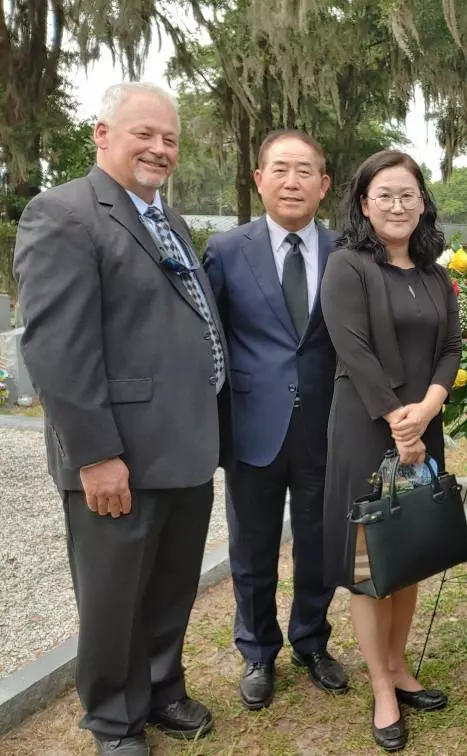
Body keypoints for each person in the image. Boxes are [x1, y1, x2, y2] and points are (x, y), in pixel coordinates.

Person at [13, 82, 229, 756]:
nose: (160, 148)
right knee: (113, 600)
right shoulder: (65, 214)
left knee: (170, 586)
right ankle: (114, 720)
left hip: (184, 445)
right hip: (120, 456)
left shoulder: (167, 216)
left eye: (169, 138)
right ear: (101, 134)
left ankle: (161, 689)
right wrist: (96, 454)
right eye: (145, 133)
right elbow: (56, 348)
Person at [319, 150, 461, 752]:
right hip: (365, 426)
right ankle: (380, 686)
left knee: (409, 550)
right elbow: (350, 347)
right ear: (363, 204)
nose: (398, 206)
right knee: (368, 565)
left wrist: (427, 410)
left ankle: (400, 667)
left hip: (421, 424)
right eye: (385, 196)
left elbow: (451, 345)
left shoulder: (434, 272)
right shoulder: (347, 266)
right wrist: (396, 420)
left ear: (422, 202)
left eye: (408, 194)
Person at [203, 129, 348, 710]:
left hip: (326, 426)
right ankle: (258, 651)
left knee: (318, 544)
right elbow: (211, 340)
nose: (293, 182)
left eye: (305, 171)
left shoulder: (346, 253)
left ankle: (311, 639)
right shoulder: (225, 249)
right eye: (280, 169)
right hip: (252, 428)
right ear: (258, 178)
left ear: (324, 184)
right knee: (253, 549)